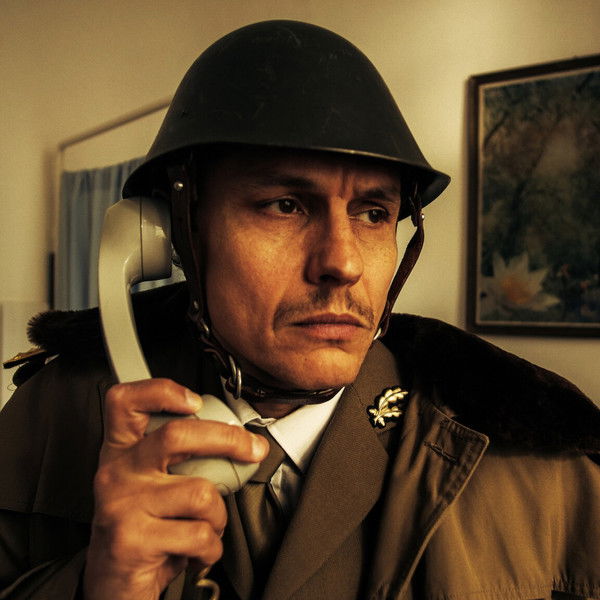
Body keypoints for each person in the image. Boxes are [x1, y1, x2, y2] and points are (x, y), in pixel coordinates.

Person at [0, 19, 599, 600]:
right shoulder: (48, 421)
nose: (343, 263)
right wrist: (95, 587)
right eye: (285, 205)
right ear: (176, 233)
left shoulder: (542, 468)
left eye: (373, 214)